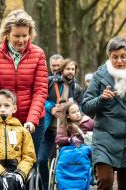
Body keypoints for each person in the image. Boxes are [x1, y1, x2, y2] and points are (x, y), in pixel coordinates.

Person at [83, 37, 126, 190]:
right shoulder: (100, 75)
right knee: (105, 181)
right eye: (115, 57)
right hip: (105, 138)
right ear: (109, 57)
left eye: (123, 56)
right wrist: (101, 99)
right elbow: (86, 107)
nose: (119, 61)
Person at [0, 9, 48, 166]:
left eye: (25, 35)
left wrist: (32, 120)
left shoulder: (38, 54)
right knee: (3, 164)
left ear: (30, 34)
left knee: (29, 165)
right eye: (16, 36)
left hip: (32, 121)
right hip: (4, 118)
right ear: (7, 34)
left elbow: (40, 90)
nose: (21, 40)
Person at [0, 89, 36, 190]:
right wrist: (2, 172)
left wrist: (20, 173)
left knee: (13, 181)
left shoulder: (22, 131)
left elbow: (29, 156)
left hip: (15, 171)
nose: (2, 109)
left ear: (14, 108)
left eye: (7, 105)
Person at [40, 58, 84, 190]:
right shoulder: (50, 82)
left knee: (60, 160)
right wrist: (52, 108)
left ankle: (61, 185)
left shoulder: (77, 88)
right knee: (42, 159)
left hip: (65, 130)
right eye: (68, 69)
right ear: (62, 69)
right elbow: (41, 99)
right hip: (48, 128)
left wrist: (73, 113)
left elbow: (81, 107)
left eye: (73, 69)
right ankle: (45, 185)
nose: (70, 71)